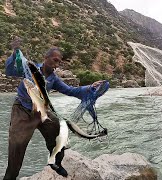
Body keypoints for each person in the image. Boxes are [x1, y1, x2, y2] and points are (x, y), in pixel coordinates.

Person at [3, 38, 103, 179]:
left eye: (59, 62)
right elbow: (9, 71)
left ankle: (55, 162)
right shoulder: (30, 68)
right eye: (55, 60)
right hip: (22, 110)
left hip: (41, 110)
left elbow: (71, 91)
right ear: (46, 58)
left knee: (59, 130)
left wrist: (90, 87)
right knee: (16, 148)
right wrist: (14, 54)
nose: (57, 65)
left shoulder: (54, 79)